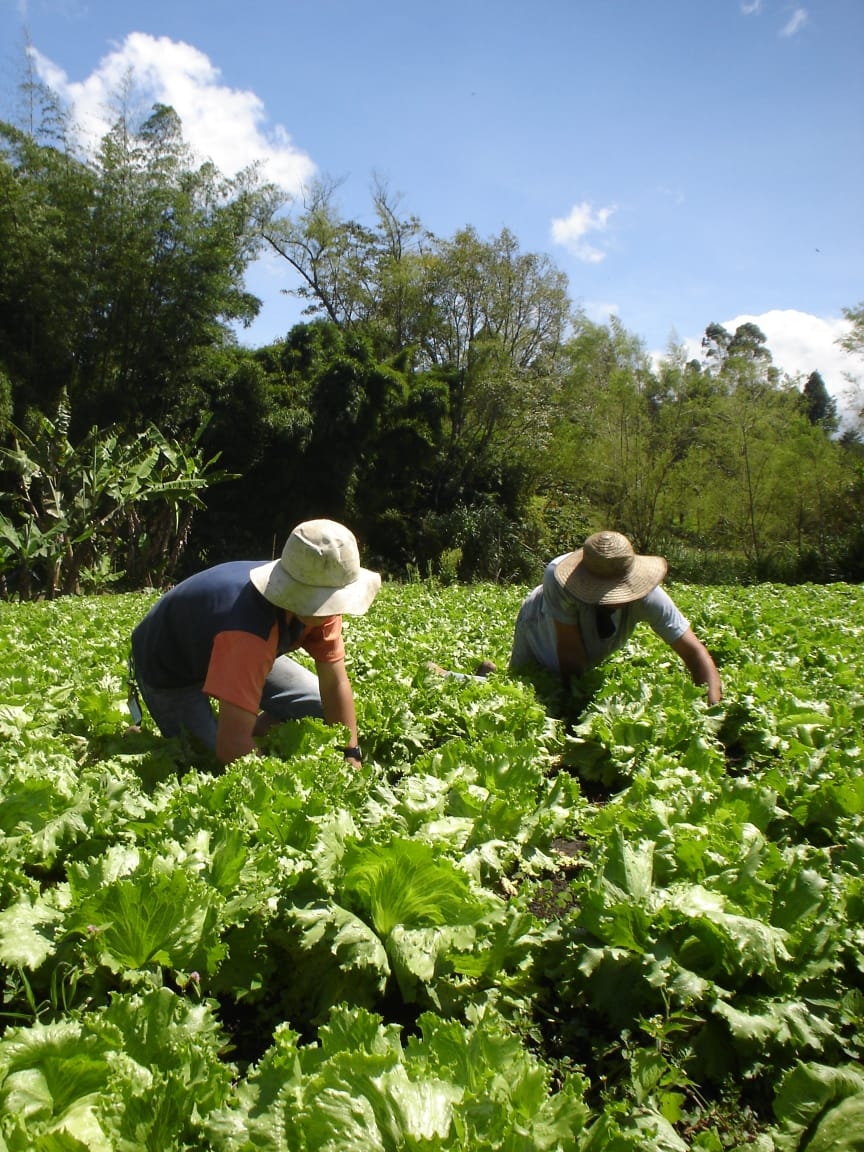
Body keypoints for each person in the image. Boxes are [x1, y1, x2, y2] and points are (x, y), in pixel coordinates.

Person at [130, 519, 381, 766]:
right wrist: (277, 781)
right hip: (170, 666)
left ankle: (251, 728)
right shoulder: (250, 630)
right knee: (208, 760)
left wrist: (351, 752)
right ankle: (154, 739)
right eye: (322, 599)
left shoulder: (322, 605)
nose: (329, 608)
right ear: (294, 589)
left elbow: (334, 683)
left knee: (319, 709)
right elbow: (231, 750)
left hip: (227, 645)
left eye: (333, 600)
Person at [509, 530, 722, 705]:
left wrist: (712, 711)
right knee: (518, 686)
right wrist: (575, 710)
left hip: (590, 639)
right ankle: (485, 674)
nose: (608, 598)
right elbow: (570, 655)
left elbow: (695, 654)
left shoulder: (649, 598)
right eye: (601, 592)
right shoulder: (558, 581)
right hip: (537, 622)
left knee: (562, 686)